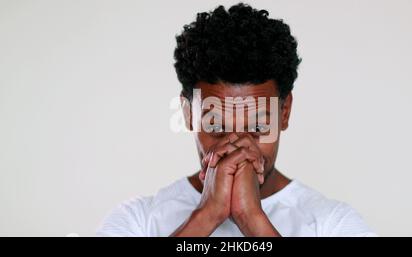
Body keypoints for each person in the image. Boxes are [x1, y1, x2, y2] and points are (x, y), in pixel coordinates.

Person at [97, 3, 376, 237]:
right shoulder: (137, 220)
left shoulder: (334, 224)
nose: (239, 147)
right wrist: (207, 216)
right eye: (217, 126)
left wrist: (252, 219)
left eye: (257, 127)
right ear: (188, 114)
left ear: (284, 113)